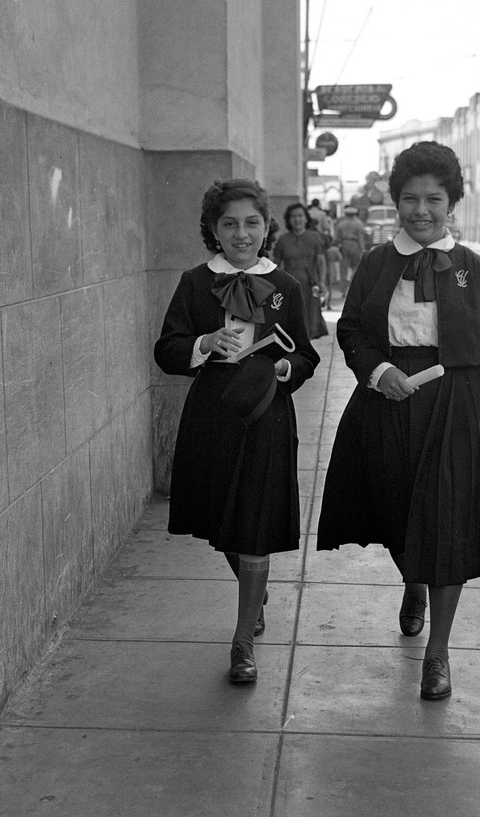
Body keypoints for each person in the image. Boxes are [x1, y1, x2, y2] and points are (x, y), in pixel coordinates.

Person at [317, 141, 480, 701]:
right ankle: (412, 580)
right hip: (388, 399)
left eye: (434, 198)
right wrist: (377, 369)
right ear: (397, 202)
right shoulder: (376, 263)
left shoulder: (475, 270)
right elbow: (352, 329)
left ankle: (438, 653)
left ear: (451, 201)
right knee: (395, 506)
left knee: (450, 522)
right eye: (410, 198)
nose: (421, 210)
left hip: (457, 402)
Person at [154, 179, 320, 684]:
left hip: (266, 414)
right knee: (218, 515)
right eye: (229, 224)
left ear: (265, 226)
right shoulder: (194, 282)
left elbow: (306, 355)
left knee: (254, 520)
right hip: (212, 413)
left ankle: (243, 639)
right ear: (213, 230)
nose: (241, 234)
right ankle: (255, 589)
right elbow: (166, 350)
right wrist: (204, 342)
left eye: (251, 223)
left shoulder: (286, 287)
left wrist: (288, 369)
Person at [274, 203, 330, 339]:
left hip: (310, 287)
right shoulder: (282, 240)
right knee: (291, 322)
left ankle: (306, 354)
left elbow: (321, 262)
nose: (297, 219)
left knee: (310, 321)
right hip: (289, 288)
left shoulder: (315, 237)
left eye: (300, 216)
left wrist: (322, 282)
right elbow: (276, 265)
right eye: (293, 216)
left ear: (306, 219)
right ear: (288, 220)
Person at [334, 204, 368, 289]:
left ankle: (343, 289)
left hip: (344, 245)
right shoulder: (359, 224)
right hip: (355, 245)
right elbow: (361, 238)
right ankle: (355, 286)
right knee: (356, 267)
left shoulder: (341, 224)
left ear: (345, 214)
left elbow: (337, 238)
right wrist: (362, 249)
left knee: (344, 268)